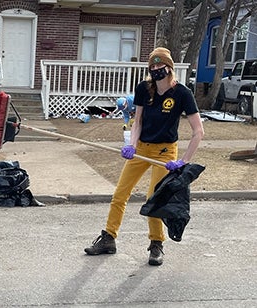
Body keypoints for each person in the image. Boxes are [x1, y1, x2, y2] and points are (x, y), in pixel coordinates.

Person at [84, 47, 204, 266]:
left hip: (166, 151)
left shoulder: (182, 94)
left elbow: (199, 132)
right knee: (120, 193)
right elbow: (137, 121)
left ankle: (157, 244)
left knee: (154, 198)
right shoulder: (143, 89)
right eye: (153, 66)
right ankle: (109, 238)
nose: (156, 70)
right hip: (142, 148)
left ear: (170, 68)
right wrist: (131, 145)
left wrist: (183, 161)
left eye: (160, 66)